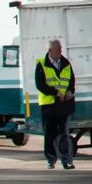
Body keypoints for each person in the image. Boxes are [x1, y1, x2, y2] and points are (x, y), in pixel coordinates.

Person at [35, 39, 75, 170]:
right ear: (50, 51)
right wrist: (55, 92)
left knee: (64, 134)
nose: (61, 51)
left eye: (61, 48)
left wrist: (70, 91)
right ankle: (51, 160)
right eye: (58, 49)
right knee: (49, 135)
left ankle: (67, 161)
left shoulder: (66, 63)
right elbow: (40, 85)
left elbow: (71, 81)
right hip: (49, 105)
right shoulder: (41, 64)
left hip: (64, 104)